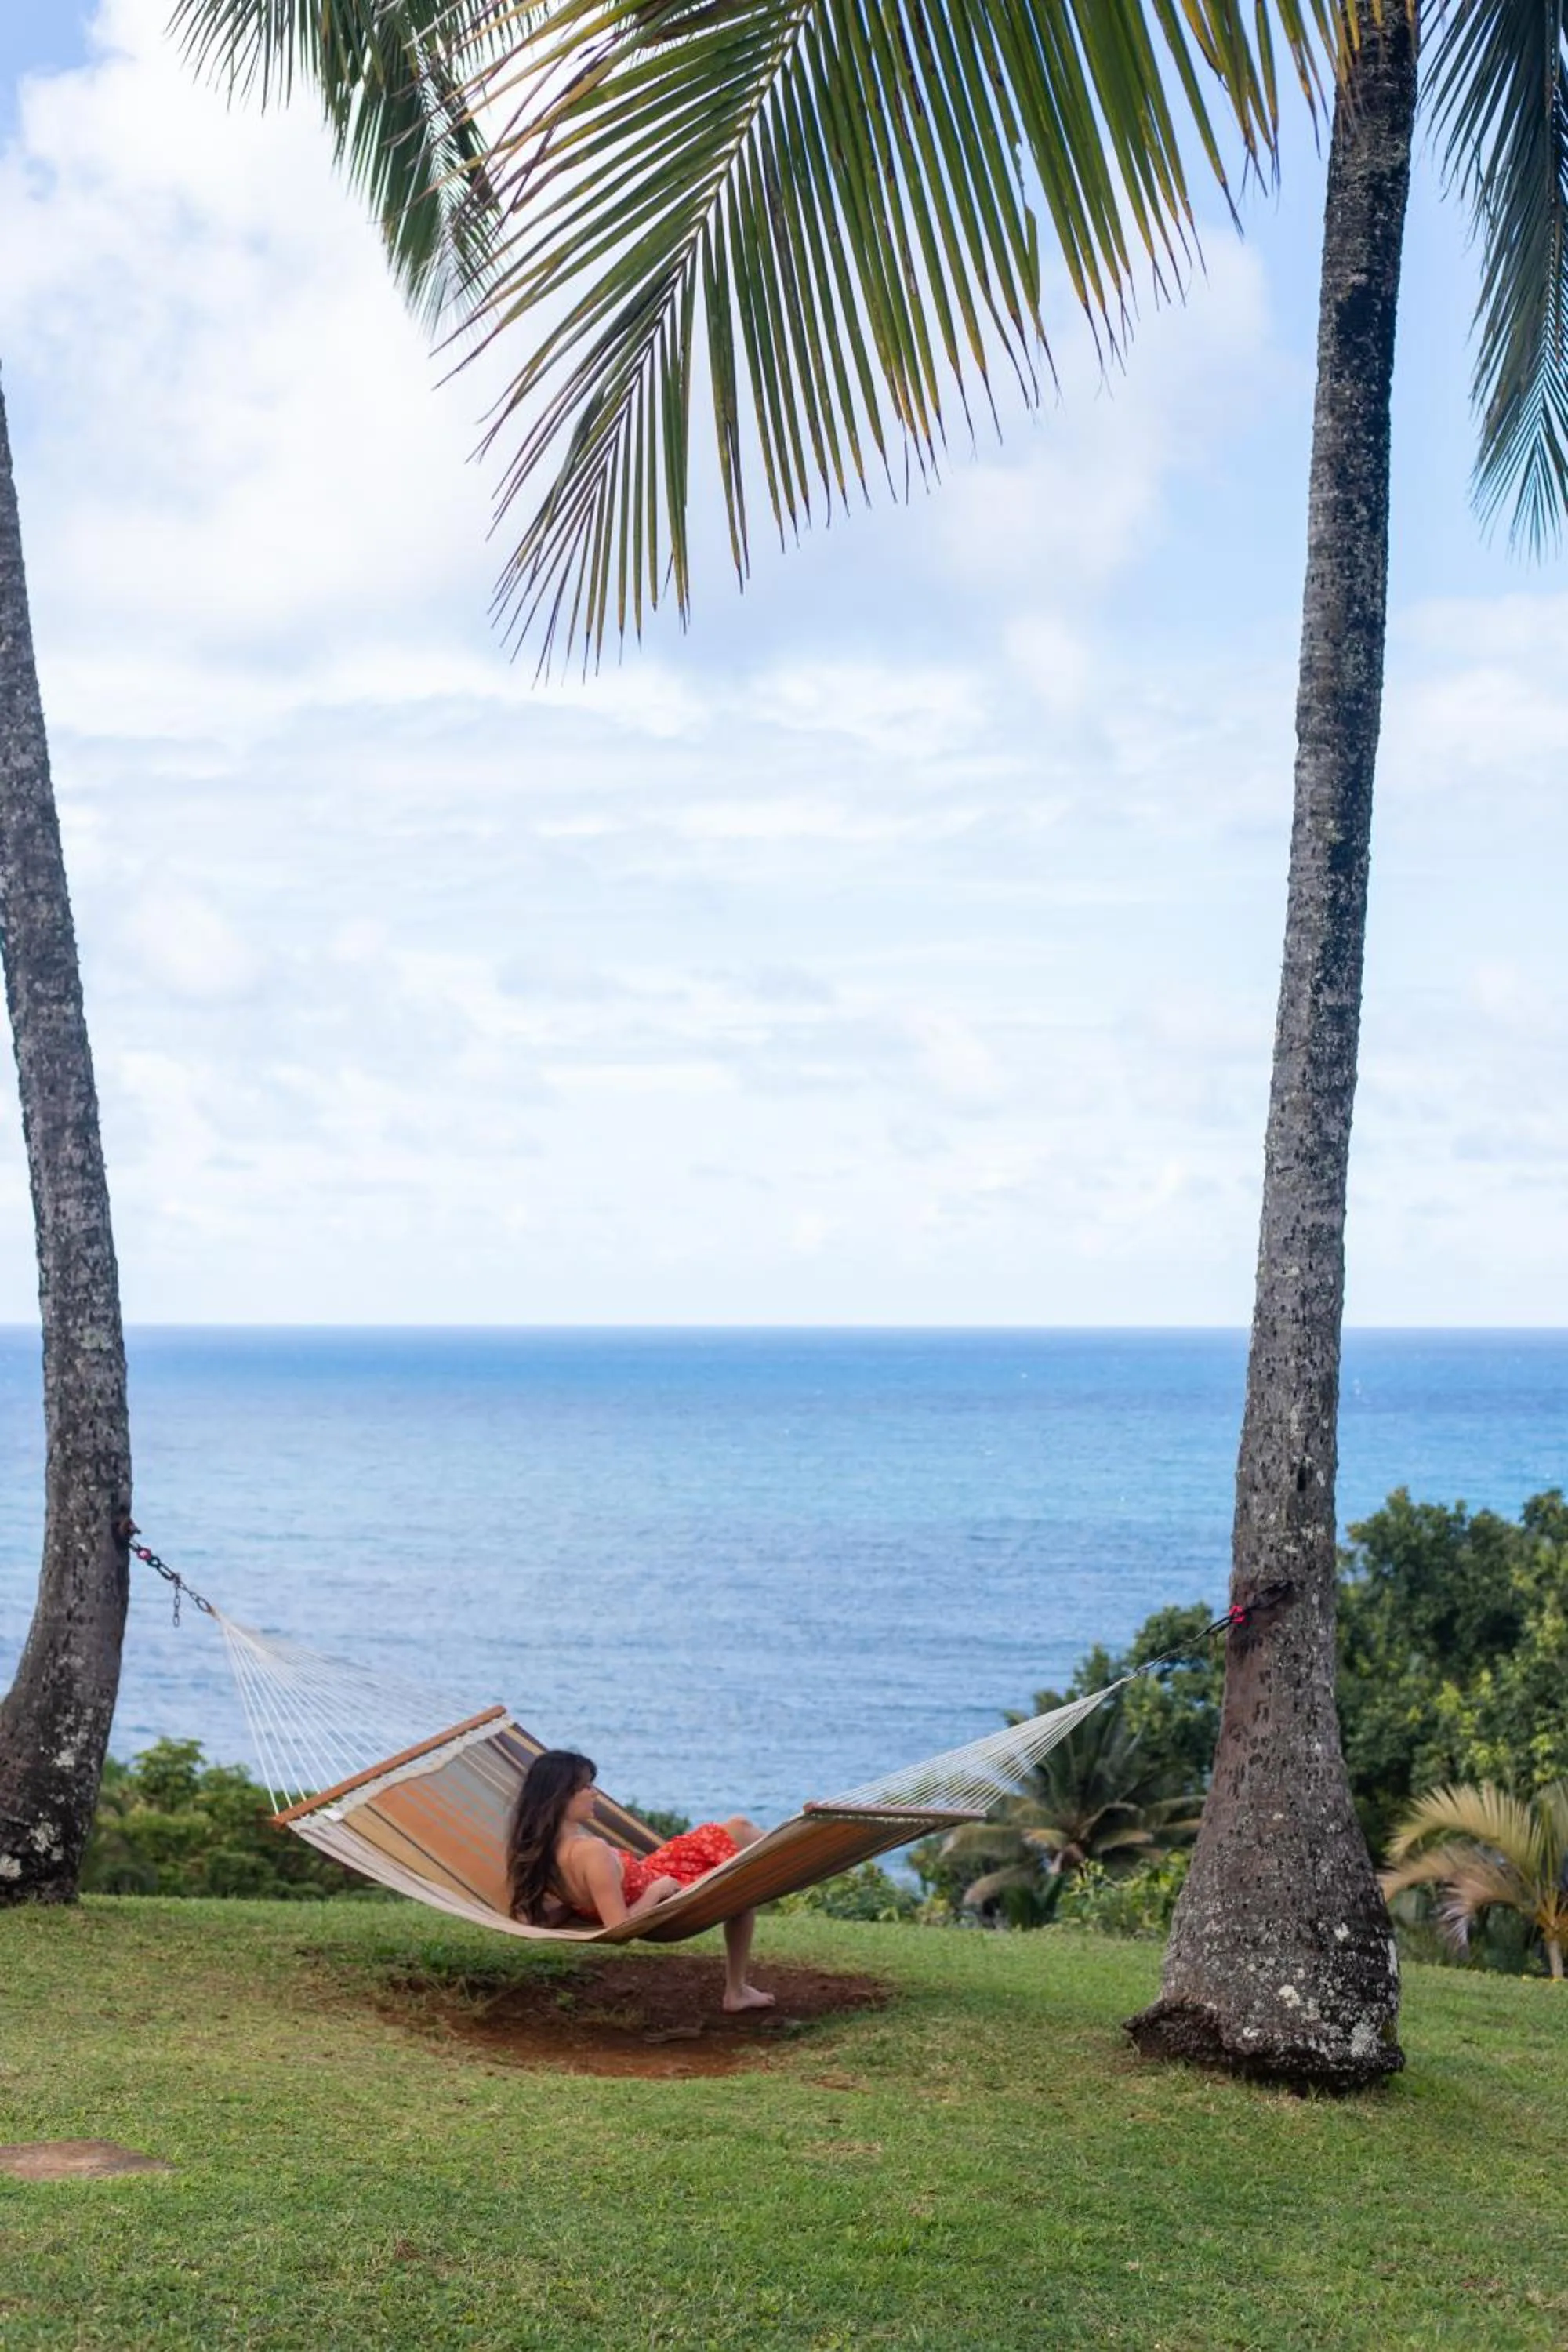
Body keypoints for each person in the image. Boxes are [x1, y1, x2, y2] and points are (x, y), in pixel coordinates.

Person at [505, 1749, 775, 2012]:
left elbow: (555, 1907)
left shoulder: (542, 1855)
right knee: (740, 1884)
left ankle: (798, 1832)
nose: (595, 1793)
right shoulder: (591, 1852)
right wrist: (656, 1891)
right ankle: (736, 1991)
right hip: (665, 1885)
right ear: (561, 1797)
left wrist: (570, 1910)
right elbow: (619, 1928)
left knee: (738, 1827)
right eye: (586, 1787)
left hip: (657, 1869)